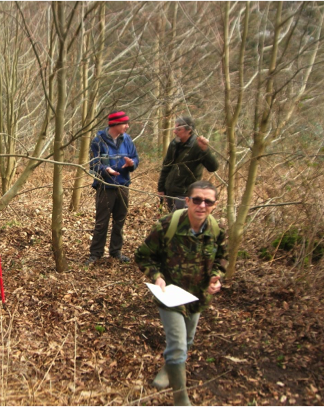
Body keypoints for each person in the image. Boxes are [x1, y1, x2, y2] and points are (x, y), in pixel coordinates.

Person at [134, 180, 227, 406]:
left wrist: (217, 279)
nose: (202, 205)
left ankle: (168, 369)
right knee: (177, 345)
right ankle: (181, 399)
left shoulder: (216, 230)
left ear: (214, 205)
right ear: (187, 201)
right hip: (170, 296)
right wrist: (156, 276)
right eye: (197, 200)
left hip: (197, 296)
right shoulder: (167, 225)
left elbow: (222, 259)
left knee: (188, 339)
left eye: (208, 201)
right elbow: (143, 256)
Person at [86, 111, 139, 265]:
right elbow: (94, 164)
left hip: (123, 185)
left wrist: (131, 164)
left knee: (119, 221)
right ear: (115, 124)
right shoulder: (98, 141)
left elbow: (135, 158)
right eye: (125, 123)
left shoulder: (127, 140)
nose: (127, 126)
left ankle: (116, 252)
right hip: (105, 187)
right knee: (101, 222)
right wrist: (105, 170)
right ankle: (96, 254)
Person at [158, 116, 219, 212]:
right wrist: (161, 188)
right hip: (170, 190)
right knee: (171, 220)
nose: (174, 131)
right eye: (175, 128)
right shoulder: (174, 143)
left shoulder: (197, 145)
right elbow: (166, 166)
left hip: (185, 193)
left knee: (180, 220)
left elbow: (213, 167)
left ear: (189, 130)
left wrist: (205, 150)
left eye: (178, 129)